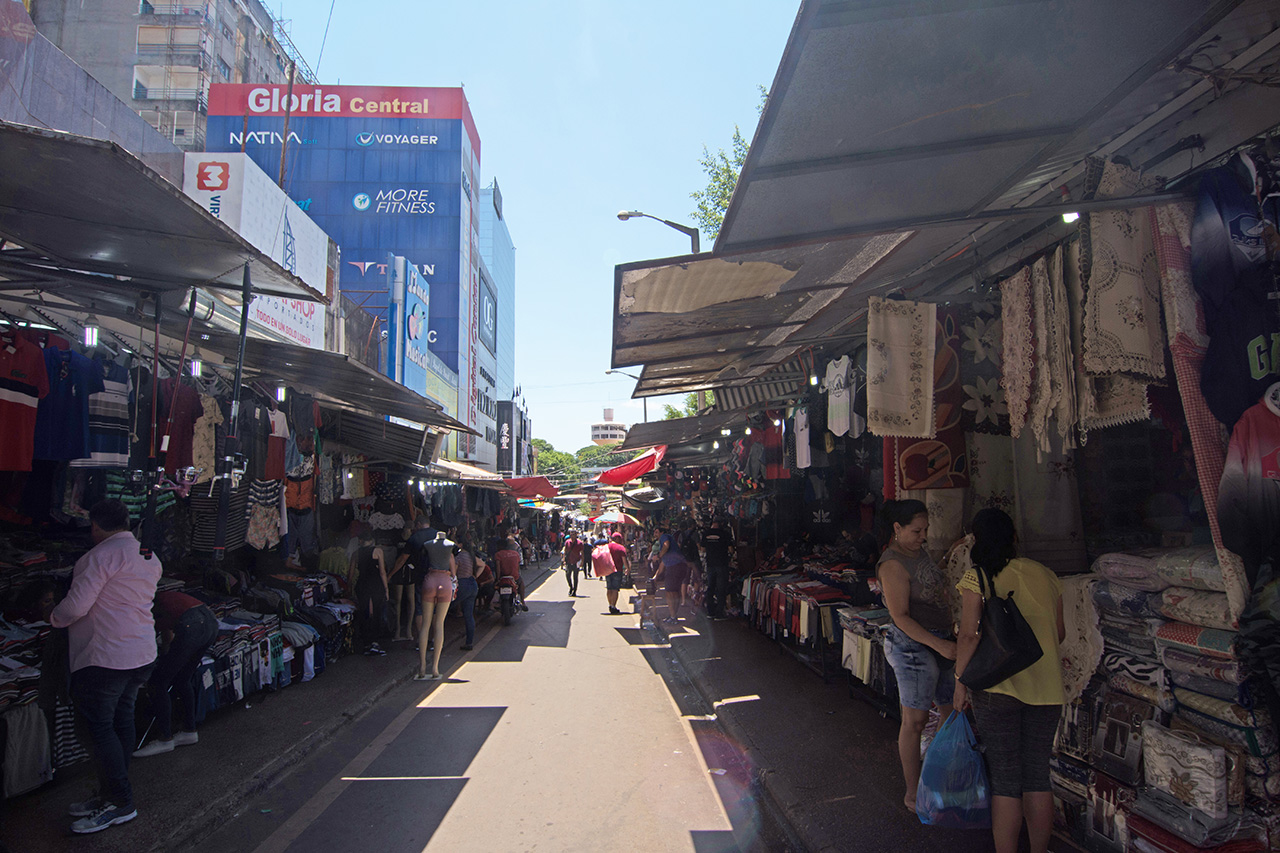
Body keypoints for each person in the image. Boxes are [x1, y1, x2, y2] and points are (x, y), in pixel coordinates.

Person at [953, 508, 1065, 853]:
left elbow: (969, 637)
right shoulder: (1045, 574)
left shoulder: (978, 578)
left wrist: (960, 682)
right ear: (1014, 537)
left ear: (976, 540)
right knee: (1036, 775)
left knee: (1005, 779)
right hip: (1047, 689)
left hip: (997, 690)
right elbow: (1058, 634)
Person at [50, 499, 161, 834]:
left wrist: (52, 617)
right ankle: (109, 795)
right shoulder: (149, 555)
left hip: (107, 657)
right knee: (121, 721)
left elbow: (75, 607)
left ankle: (120, 802)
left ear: (95, 526)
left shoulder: (98, 557)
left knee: (98, 729)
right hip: (140, 653)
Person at [875, 499, 956, 812]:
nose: (923, 536)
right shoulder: (892, 565)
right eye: (917, 530)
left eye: (926, 529)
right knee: (915, 721)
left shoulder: (918, 552)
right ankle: (912, 792)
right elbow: (901, 617)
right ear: (898, 529)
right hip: (912, 647)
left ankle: (942, 779)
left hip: (940, 641)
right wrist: (941, 647)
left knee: (952, 713)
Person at [132, 590, 219, 757]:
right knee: (182, 678)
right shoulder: (162, 596)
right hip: (209, 620)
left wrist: (161, 660)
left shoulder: (146, 601)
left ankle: (165, 738)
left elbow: (164, 635)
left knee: (158, 682)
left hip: (193, 624)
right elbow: (167, 634)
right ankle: (189, 730)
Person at [415, 530, 457, 680]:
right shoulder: (451, 546)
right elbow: (453, 572)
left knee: (425, 624)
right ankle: (435, 667)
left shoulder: (427, 545)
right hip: (444, 581)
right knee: (439, 624)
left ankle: (421, 666)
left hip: (430, 580)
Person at [351, 529, 388, 656]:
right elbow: (382, 571)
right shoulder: (378, 551)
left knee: (364, 611)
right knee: (376, 611)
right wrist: (386, 588)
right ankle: (375, 642)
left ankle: (366, 642)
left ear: (360, 541)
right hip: (375, 583)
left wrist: (349, 588)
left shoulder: (355, 554)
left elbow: (350, 575)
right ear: (371, 540)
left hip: (362, 584)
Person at [652, 524, 690, 624]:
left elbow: (666, 544)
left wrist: (659, 556)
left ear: (661, 532)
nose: (655, 534)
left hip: (675, 567)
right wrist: (656, 576)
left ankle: (673, 616)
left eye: (656, 532)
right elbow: (663, 564)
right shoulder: (666, 550)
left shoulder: (665, 537)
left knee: (670, 592)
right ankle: (673, 615)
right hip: (679, 566)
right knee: (673, 592)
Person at [700, 519, 734, 618]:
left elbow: (702, 549)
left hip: (710, 564)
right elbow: (731, 550)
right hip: (722, 564)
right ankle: (719, 614)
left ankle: (710, 612)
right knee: (721, 588)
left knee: (710, 587)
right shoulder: (725, 534)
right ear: (721, 524)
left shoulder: (706, 534)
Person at [454, 535, 481, 651]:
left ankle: (436, 640)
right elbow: (482, 565)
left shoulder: (458, 556)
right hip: (472, 584)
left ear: (460, 545)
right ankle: (469, 642)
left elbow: (453, 573)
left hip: (463, 584)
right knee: (469, 615)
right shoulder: (471, 556)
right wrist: (475, 576)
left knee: (443, 610)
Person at [493, 534, 528, 610]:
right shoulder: (515, 554)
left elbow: (498, 568)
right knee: (521, 583)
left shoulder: (498, 555)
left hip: (503, 577)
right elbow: (517, 567)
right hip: (514, 577)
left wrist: (498, 579)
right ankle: (523, 601)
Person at [604, 532, 630, 614]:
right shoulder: (621, 548)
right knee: (615, 589)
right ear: (617, 539)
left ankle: (610, 604)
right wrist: (627, 568)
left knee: (609, 588)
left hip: (608, 570)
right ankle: (613, 606)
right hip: (617, 570)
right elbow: (624, 559)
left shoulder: (606, 547)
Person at [563, 531, 583, 597]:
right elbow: (565, 551)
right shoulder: (567, 542)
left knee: (575, 577)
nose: (572, 536)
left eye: (574, 534)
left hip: (576, 562)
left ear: (576, 535)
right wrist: (564, 560)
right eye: (571, 534)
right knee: (567, 575)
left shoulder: (580, 543)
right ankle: (571, 587)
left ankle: (575, 591)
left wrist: (582, 561)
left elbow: (582, 553)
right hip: (569, 561)